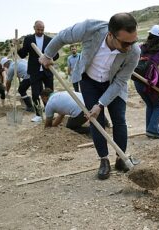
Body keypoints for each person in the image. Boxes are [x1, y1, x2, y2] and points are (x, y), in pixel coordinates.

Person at [39, 13, 140, 180]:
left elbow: (120, 81)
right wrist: (48, 54)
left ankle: (121, 159)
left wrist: (100, 104)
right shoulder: (90, 29)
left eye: (133, 42)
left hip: (114, 84)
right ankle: (104, 160)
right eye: (125, 43)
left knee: (119, 119)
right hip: (89, 80)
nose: (130, 47)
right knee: (95, 120)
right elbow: (63, 36)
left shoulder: (133, 52)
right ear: (110, 35)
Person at [17, 20, 59, 122]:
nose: (40, 31)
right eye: (38, 29)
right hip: (34, 71)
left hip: (47, 70)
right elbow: (23, 54)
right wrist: (17, 45)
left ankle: (50, 114)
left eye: (42, 29)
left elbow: (56, 55)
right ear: (34, 28)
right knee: (35, 94)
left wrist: (50, 60)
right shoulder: (28, 39)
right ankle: (38, 115)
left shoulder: (49, 40)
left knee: (50, 94)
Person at [133, 25, 159, 139]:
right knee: (158, 105)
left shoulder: (140, 47)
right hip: (150, 83)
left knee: (150, 104)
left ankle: (150, 129)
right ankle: (153, 129)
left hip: (138, 81)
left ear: (150, 35)